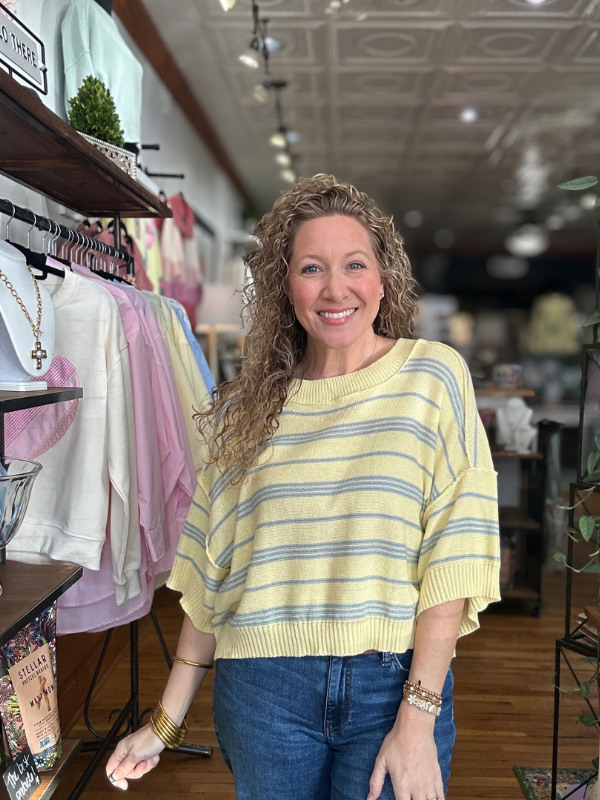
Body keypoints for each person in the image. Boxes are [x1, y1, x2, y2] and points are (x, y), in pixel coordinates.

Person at [106, 174, 500, 800]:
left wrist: (419, 717)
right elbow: (212, 578)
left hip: (392, 686)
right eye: (311, 268)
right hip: (262, 691)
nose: (335, 288)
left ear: (383, 279)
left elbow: (456, 552)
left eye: (355, 265)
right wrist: (165, 721)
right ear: (284, 287)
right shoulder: (242, 411)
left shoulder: (433, 377)